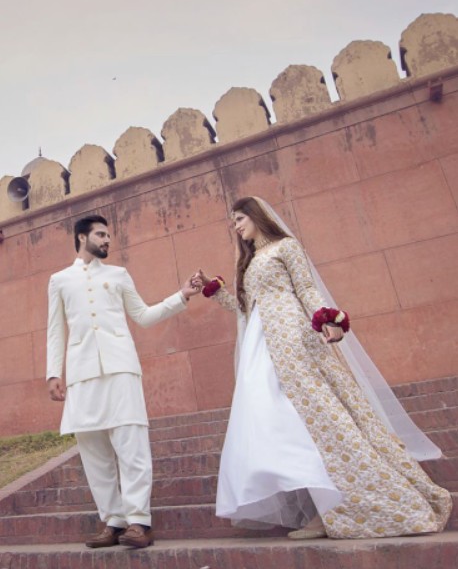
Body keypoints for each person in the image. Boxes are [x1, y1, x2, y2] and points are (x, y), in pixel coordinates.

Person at [197, 196, 452, 539]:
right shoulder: (250, 260)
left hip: (292, 336)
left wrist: (327, 320)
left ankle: (337, 508)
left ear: (257, 216)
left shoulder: (285, 247)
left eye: (240, 218)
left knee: (316, 417)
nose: (236, 226)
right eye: (233, 222)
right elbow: (245, 309)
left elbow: (305, 288)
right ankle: (324, 506)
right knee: (277, 420)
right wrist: (213, 290)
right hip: (262, 345)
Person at [47, 214, 201, 549]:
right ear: (82, 237)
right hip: (82, 374)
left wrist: (181, 295)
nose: (107, 240)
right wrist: (54, 372)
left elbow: (143, 316)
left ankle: (138, 522)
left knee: (132, 447)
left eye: (108, 235)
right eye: (101, 234)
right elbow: (55, 329)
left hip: (121, 370)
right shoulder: (59, 280)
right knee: (94, 453)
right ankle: (113, 522)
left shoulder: (118, 275)